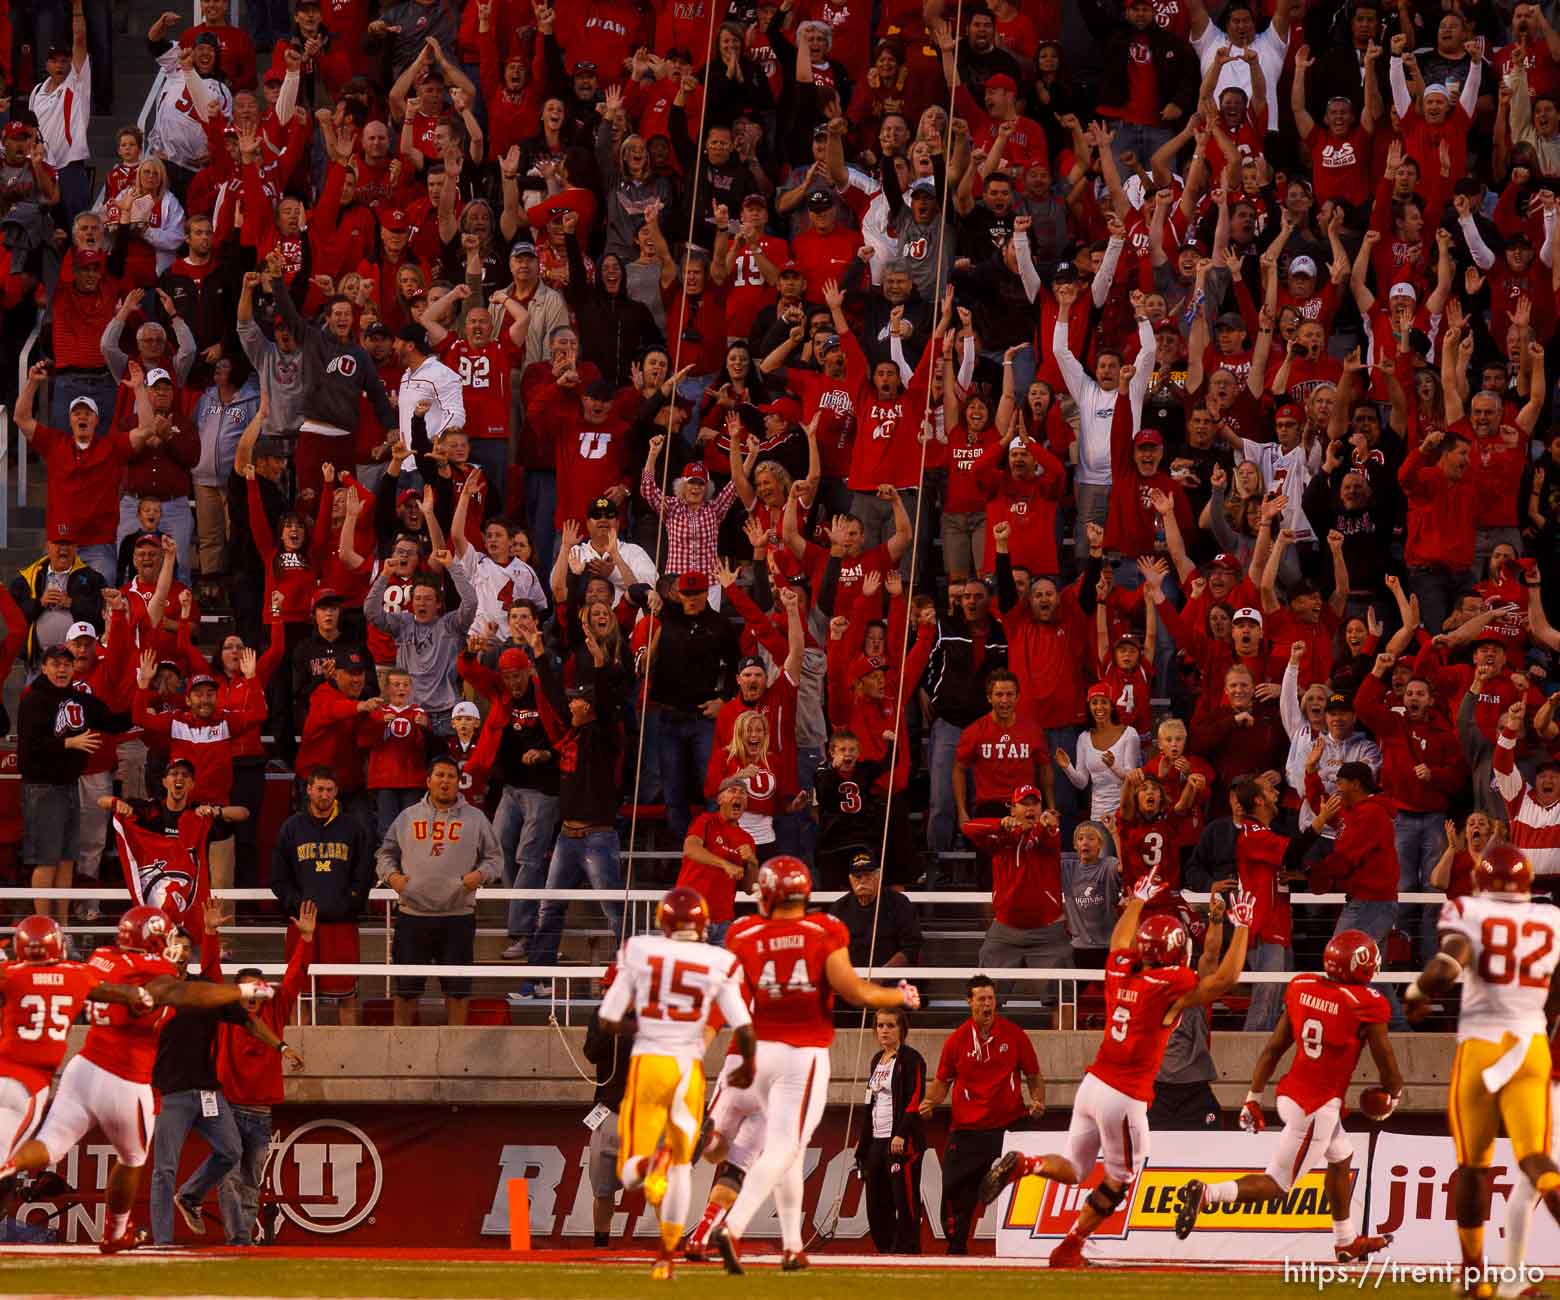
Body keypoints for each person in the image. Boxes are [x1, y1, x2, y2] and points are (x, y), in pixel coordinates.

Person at [976, 873, 1255, 1268]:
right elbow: (1224, 979)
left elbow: (1118, 942)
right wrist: (1241, 926)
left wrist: (1137, 900)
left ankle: (1028, 1164)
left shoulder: (1122, 967)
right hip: (1124, 1094)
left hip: (1092, 1083)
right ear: (1176, 952)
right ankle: (1071, 1245)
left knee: (1076, 1169)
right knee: (1120, 1177)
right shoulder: (1170, 983)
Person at [1, 907, 273, 1252]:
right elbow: (183, 995)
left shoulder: (101, 956)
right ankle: (115, 1233)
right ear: (154, 939)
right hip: (125, 1079)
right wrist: (243, 991)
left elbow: (107, 988)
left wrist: (133, 995)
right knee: (132, 1159)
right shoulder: (154, 970)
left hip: (83, 1067)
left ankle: (7, 1165)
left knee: (52, 1142)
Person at [710, 857, 919, 1273]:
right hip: (801, 1053)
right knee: (785, 1146)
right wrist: (897, 997)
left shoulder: (742, 932)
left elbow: (730, 997)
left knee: (790, 1149)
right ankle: (730, 1226)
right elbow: (854, 990)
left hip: (755, 1050)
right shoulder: (823, 929)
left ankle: (791, 1245)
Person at [1176, 927, 1400, 1258]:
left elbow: (1274, 1047)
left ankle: (1345, 1241)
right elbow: (1386, 1060)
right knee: (1278, 1185)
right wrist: (1393, 1095)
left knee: (1341, 1157)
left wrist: (1253, 1097)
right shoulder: (1365, 1003)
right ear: (1361, 965)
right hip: (1315, 1106)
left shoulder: (1302, 986)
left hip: (1290, 1092)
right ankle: (1208, 1193)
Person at [1403, 844, 1560, 1289]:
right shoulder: (1552, 919)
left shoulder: (1467, 910)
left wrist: (1418, 995)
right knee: (1535, 1157)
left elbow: (1449, 960)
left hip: (1482, 1044)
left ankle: (1474, 1273)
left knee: (1474, 1167)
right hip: (1531, 1046)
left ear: (1480, 881)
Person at [597, 887, 755, 1281]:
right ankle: (665, 1256)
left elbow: (607, 1018)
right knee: (683, 1166)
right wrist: (748, 1063)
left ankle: (652, 1163)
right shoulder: (719, 959)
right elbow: (744, 1026)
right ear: (703, 924)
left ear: (662, 922)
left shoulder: (640, 950)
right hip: (690, 1069)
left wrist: (648, 1023)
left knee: (632, 1172)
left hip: (651, 1062)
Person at [0, 916, 155, 1164]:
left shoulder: (9, 974)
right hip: (31, 1083)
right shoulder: (78, 974)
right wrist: (140, 995)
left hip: (4, 1069)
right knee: (7, 1162)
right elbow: (117, 992)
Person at [919, 974, 1045, 1255]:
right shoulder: (956, 1040)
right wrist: (929, 1102)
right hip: (967, 1129)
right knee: (954, 1189)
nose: (987, 1005)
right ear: (969, 1002)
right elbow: (942, 1082)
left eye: (991, 999)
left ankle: (1032, 1245)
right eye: (981, 999)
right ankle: (956, 1248)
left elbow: (1034, 1075)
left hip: (1009, 1127)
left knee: (1027, 1185)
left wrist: (1037, 1101)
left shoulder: (1014, 1035)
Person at [376, 756, 504, 1026]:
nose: (445, 781)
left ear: (459, 783)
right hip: (412, 915)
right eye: (440, 775)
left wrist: (479, 876)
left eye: (451, 776)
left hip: (458, 916)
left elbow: (495, 859)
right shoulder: (407, 816)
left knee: (458, 992)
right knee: (406, 991)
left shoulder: (476, 818)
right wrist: (393, 878)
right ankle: (403, 1051)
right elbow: (385, 853)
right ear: (428, 781)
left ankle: (456, 1054)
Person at [270, 768, 376, 1026]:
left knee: (347, 995)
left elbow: (364, 874)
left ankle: (351, 1058)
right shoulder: (292, 827)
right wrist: (297, 904)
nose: (324, 795)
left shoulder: (353, 827)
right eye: (320, 789)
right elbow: (278, 877)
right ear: (309, 790)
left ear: (336, 791)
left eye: (329, 790)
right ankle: (300, 1051)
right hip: (302, 925)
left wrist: (348, 903)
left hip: (342, 924)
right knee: (301, 995)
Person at [856, 1006, 928, 1255]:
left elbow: (915, 1097)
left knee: (904, 1200)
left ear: (901, 1030)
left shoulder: (911, 1059)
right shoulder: (876, 1060)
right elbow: (870, 1104)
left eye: (890, 1026)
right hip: (876, 1141)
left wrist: (902, 1133)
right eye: (880, 1026)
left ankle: (908, 1249)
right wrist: (862, 1144)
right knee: (875, 1202)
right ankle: (886, 1249)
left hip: (900, 1141)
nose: (884, 1030)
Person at [828, 850, 923, 968]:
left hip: (891, 979)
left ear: (878, 875)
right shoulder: (839, 908)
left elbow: (911, 947)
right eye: (858, 876)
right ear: (850, 879)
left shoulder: (899, 904)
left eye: (868, 875)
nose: (863, 880)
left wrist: (882, 975)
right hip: (851, 978)